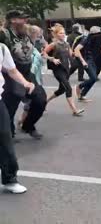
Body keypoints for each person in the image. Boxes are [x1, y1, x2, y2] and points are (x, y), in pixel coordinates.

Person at [0, 10, 46, 139]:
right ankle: (8, 134)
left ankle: (28, 126)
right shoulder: (4, 34)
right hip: (10, 75)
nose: (26, 21)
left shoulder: (26, 32)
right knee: (10, 107)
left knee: (40, 100)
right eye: (22, 18)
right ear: (13, 20)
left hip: (27, 73)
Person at [0, 42, 35, 193]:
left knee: (5, 137)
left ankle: (9, 179)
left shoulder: (1, 48)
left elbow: (12, 70)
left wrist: (25, 82)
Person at [44, 24, 85, 116]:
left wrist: (77, 54)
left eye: (64, 33)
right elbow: (43, 53)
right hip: (58, 70)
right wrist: (52, 59)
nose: (63, 35)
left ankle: (44, 102)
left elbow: (71, 54)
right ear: (56, 34)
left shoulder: (66, 44)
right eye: (60, 33)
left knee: (61, 90)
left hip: (66, 69)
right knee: (68, 88)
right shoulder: (53, 44)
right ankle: (75, 110)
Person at [73, 26, 101, 102]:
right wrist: (83, 61)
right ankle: (79, 86)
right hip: (86, 60)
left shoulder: (96, 40)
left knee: (94, 79)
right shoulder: (85, 39)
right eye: (98, 33)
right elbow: (76, 49)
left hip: (93, 61)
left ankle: (82, 95)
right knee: (94, 78)